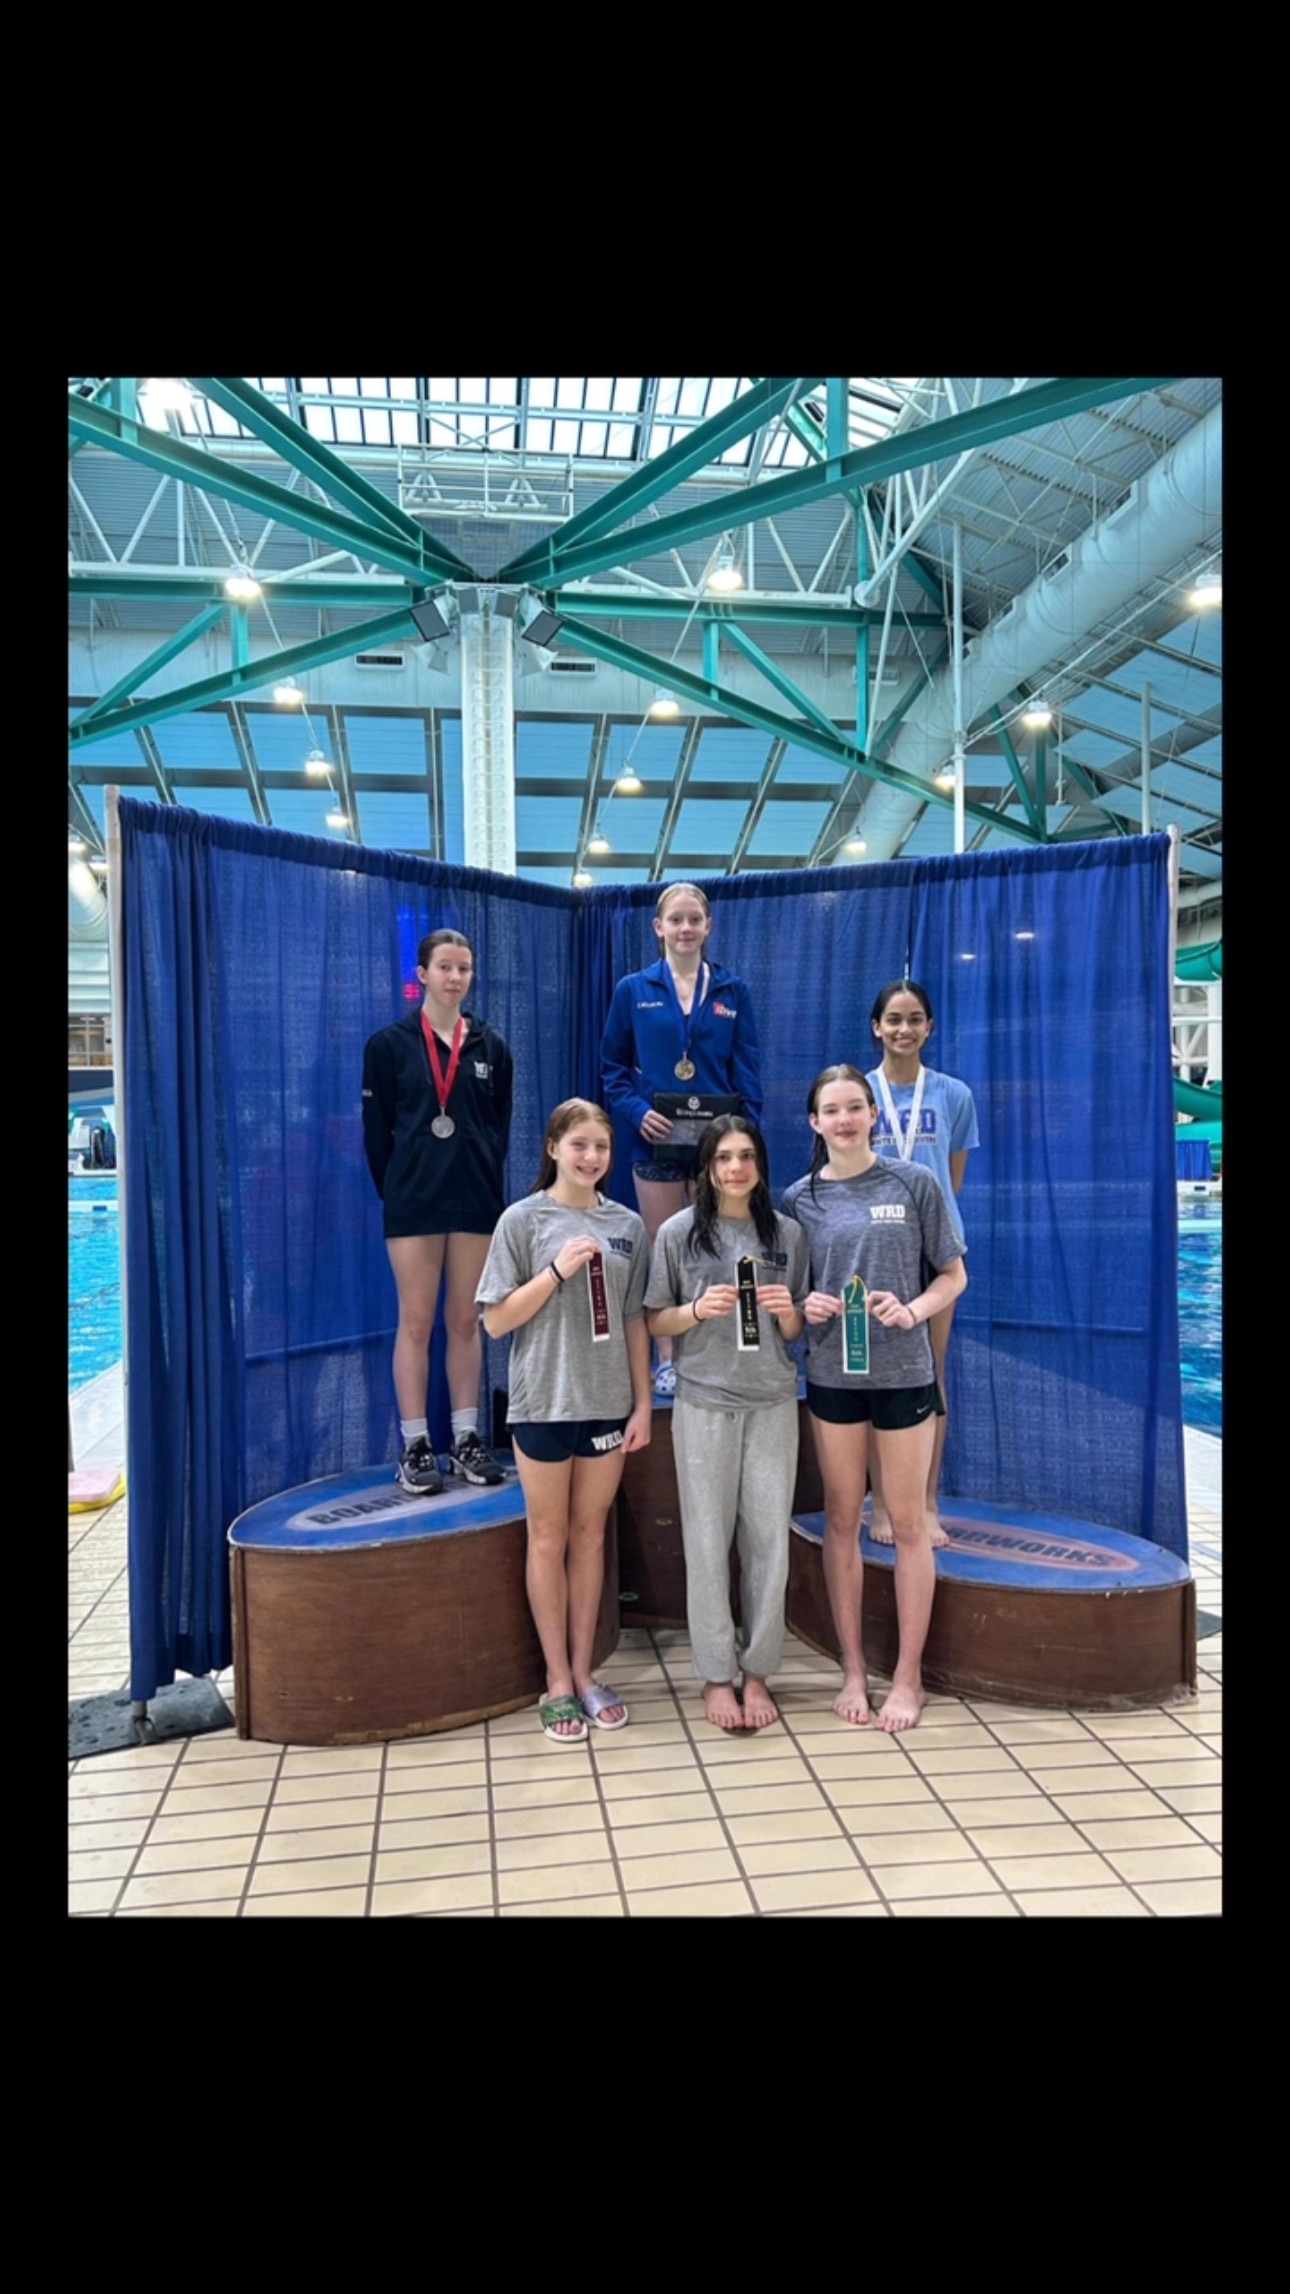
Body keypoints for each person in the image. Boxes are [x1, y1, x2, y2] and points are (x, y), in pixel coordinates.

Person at [781, 1065, 966, 1733]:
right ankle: (854, 1669)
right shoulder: (797, 1199)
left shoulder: (913, 1183)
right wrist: (807, 1302)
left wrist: (914, 1309)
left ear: (872, 1116)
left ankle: (909, 1676)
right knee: (840, 1521)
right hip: (832, 1377)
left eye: (855, 1106)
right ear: (815, 1122)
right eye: (832, 1109)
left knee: (910, 1524)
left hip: (904, 1376)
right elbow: (790, 1302)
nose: (845, 1118)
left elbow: (953, 1273)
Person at [477, 1099, 652, 1743]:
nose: (591, 1158)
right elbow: (495, 1321)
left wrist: (640, 1404)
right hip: (543, 1404)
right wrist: (555, 1272)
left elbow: (635, 1318)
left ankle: (584, 1673)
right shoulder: (521, 1222)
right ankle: (554, 1680)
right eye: (578, 1144)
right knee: (547, 1540)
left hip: (606, 1407)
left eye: (601, 1147)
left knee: (591, 1538)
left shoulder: (629, 1224)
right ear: (552, 1147)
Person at [645, 1117, 808, 1733]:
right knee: (707, 1543)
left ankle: (759, 1670)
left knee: (769, 1541)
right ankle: (717, 1675)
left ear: (760, 1164)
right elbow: (655, 1319)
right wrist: (693, 1310)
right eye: (723, 1158)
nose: (736, 1168)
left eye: (746, 1156)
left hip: (771, 1401)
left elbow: (795, 1332)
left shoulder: (788, 1234)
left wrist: (787, 1311)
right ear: (708, 1168)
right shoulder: (679, 1234)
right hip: (704, 1403)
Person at [362, 928, 512, 1494]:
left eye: (464, 968)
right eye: (445, 967)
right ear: (421, 974)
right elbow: (377, 1138)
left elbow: (497, 1126)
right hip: (414, 1203)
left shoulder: (491, 1047)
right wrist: (400, 1189)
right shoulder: (389, 1045)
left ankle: (468, 1438)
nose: (455, 977)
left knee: (465, 1321)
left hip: (474, 1200)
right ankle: (417, 1443)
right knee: (417, 1322)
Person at [601, 882, 763, 1399]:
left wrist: (747, 1137)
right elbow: (613, 1070)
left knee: (724, 1248)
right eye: (676, 920)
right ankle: (667, 1359)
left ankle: (724, 1351)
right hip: (657, 1143)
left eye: (695, 919)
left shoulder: (733, 992)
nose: (686, 928)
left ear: (708, 926)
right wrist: (635, 1111)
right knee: (664, 1251)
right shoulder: (634, 989)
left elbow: (748, 1072)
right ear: (659, 928)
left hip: (720, 1149)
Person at [866, 978, 979, 1546]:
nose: (904, 1029)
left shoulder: (954, 1095)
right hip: (873, 1247)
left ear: (929, 1028)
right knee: (872, 1379)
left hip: (934, 1253)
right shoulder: (857, 1094)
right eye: (893, 1019)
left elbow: (950, 1181)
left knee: (930, 1375)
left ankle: (926, 1499)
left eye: (915, 1019)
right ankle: (882, 1502)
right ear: (876, 1027)